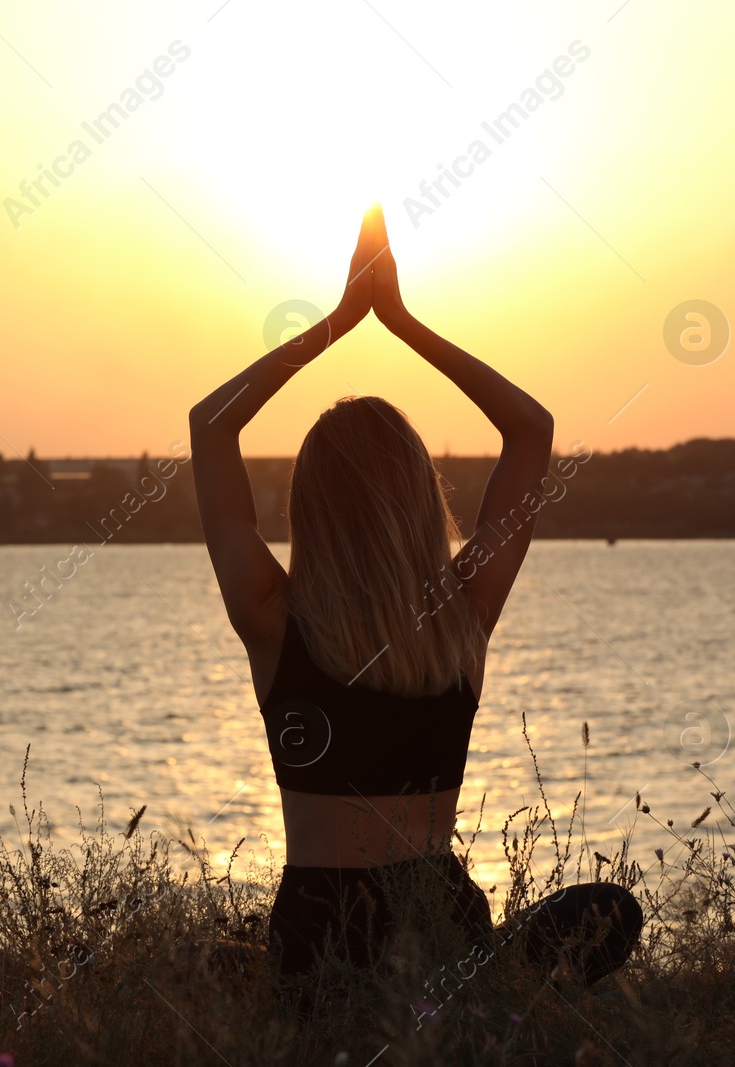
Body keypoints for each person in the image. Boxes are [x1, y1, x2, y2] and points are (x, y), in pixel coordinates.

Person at [188, 205, 640, 987]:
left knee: (203, 960)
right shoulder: (462, 618)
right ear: (419, 501)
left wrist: (334, 324)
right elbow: (531, 430)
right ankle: (485, 1000)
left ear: (310, 508)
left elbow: (210, 427)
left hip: (316, 952)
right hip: (443, 942)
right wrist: (400, 321)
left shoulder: (272, 619)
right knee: (610, 908)